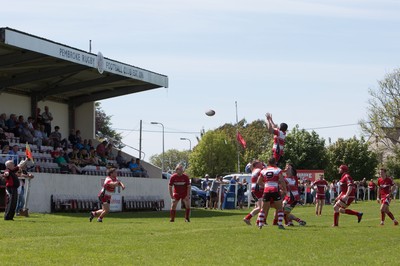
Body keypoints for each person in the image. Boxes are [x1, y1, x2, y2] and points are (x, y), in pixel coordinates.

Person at [256, 157, 287, 229]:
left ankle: (260, 224)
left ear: (268, 162)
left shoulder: (263, 170)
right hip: (275, 190)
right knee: (280, 208)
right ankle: (279, 224)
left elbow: (258, 181)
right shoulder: (278, 170)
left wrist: (265, 185)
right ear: (275, 162)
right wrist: (285, 189)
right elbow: (282, 180)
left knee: (263, 208)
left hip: (266, 190)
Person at [243, 160, 264, 225]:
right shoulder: (259, 170)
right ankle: (247, 218)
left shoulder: (254, 170)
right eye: (260, 163)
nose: (261, 164)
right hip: (258, 189)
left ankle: (258, 221)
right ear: (257, 164)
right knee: (261, 207)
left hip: (254, 189)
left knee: (257, 206)